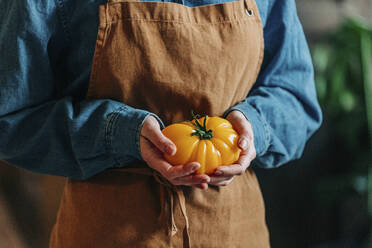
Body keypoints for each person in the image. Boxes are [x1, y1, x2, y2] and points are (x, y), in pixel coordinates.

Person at [0, 0, 322, 247]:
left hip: (235, 231)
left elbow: (296, 97)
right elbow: (10, 118)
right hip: (107, 235)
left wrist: (253, 126)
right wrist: (118, 133)